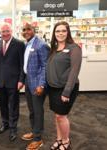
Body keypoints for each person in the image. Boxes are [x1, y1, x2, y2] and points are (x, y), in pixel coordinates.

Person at [47, 21, 82, 150]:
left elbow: (74, 71)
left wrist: (67, 92)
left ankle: (66, 141)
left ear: (68, 32)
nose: (60, 33)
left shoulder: (74, 48)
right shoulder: (54, 49)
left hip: (66, 88)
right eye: (57, 31)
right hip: (53, 88)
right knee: (57, 116)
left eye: (63, 31)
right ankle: (59, 139)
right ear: (54, 33)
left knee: (61, 116)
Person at [0, 23, 25, 141]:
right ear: (0, 33)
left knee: (13, 106)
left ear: (11, 31)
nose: (5, 34)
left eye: (7, 31)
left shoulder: (19, 44)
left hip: (14, 81)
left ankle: (13, 128)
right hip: (0, 81)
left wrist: (21, 80)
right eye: (3, 32)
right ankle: (5, 123)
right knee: (2, 104)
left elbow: (22, 64)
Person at [20, 23, 50, 150]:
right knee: (32, 110)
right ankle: (34, 131)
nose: (26, 32)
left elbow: (45, 66)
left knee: (38, 111)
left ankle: (38, 139)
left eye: (28, 29)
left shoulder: (41, 45)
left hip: (37, 84)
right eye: (24, 30)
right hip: (28, 81)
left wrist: (41, 85)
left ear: (34, 30)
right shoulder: (27, 44)